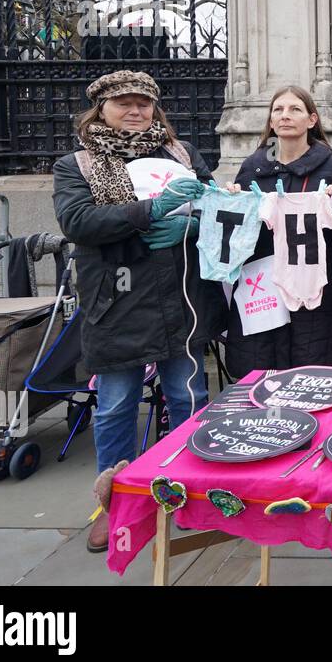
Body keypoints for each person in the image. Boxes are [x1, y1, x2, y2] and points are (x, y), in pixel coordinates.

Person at [52, 70, 225, 553]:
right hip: (116, 303)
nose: (134, 110)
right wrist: (151, 210)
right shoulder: (77, 164)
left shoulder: (182, 155)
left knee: (189, 400)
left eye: (143, 103)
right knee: (115, 409)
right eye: (123, 103)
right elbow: (79, 222)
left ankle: (189, 493)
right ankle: (118, 505)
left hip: (181, 297)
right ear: (100, 109)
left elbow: (217, 206)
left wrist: (188, 226)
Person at [224, 86, 332, 379]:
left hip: (316, 287)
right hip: (263, 284)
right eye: (278, 110)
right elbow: (240, 233)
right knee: (263, 370)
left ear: (312, 120)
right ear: (270, 122)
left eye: (295, 109)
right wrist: (232, 200)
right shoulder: (251, 169)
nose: (285, 116)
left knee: (314, 371)